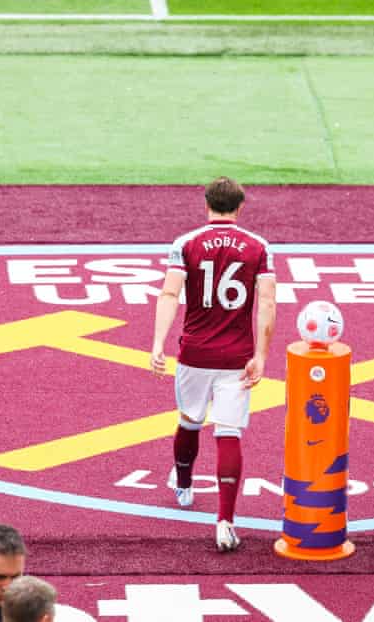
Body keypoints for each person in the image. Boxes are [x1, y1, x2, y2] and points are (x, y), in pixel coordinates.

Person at [150, 176, 276, 552]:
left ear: (205, 204)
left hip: (195, 352)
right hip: (236, 356)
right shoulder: (259, 246)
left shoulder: (185, 243)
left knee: (190, 420)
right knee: (229, 433)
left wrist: (157, 343)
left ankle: (185, 485)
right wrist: (261, 356)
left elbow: (170, 292)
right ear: (240, 207)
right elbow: (267, 303)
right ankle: (224, 522)